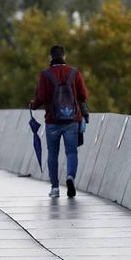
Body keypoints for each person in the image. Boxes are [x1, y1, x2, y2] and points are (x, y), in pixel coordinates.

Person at [29, 44, 89, 198]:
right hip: (72, 121)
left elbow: (40, 98)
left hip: (52, 121)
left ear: (50, 58)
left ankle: (55, 188)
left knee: (53, 154)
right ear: (64, 56)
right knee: (71, 152)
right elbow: (83, 95)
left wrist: (33, 105)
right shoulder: (74, 73)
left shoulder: (45, 75)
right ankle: (70, 177)